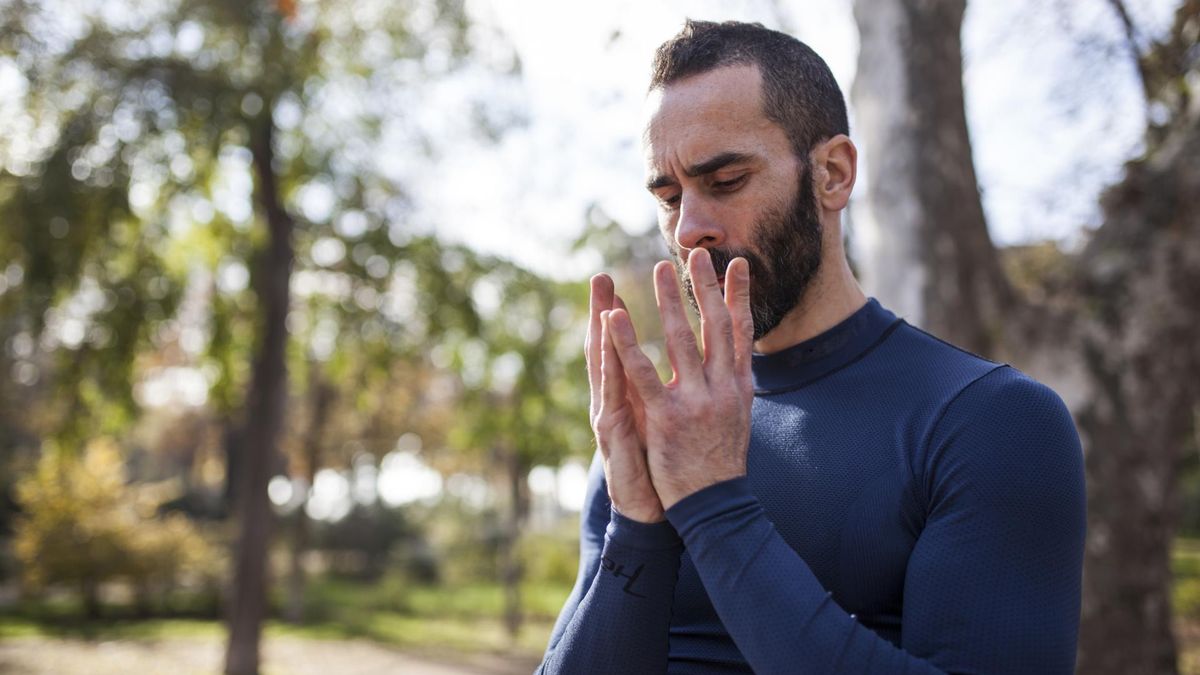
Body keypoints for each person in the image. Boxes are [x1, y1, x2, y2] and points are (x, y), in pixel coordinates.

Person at [536, 19, 1085, 674]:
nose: (688, 230)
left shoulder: (994, 421)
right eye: (669, 195)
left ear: (832, 173)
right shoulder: (658, 426)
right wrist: (638, 525)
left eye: (726, 180)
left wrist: (713, 504)